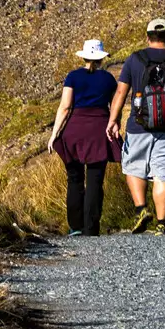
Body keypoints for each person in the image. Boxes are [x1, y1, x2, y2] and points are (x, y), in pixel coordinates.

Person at [108, 17, 165, 234]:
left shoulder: (135, 59)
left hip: (139, 125)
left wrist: (114, 120)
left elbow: (121, 92)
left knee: (133, 167)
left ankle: (141, 209)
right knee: (164, 173)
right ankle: (162, 223)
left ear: (147, 36)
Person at [47, 38, 119, 236]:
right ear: (102, 58)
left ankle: (75, 226)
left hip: (74, 130)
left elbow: (65, 107)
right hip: (99, 129)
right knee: (95, 179)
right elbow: (115, 107)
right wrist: (115, 125)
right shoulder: (109, 79)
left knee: (74, 178)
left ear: (85, 56)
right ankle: (91, 227)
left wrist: (54, 135)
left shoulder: (73, 77)